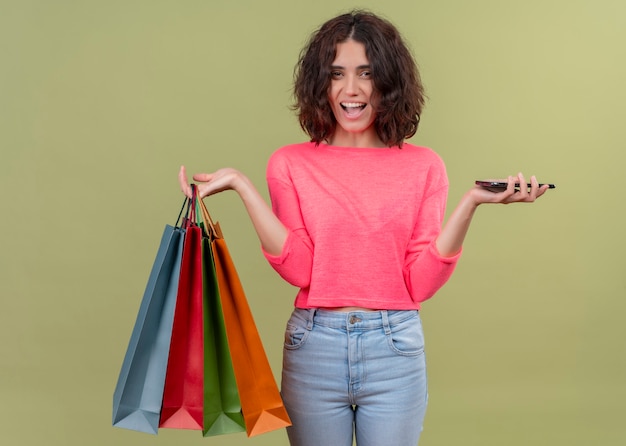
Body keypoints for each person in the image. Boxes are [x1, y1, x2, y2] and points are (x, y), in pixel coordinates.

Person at [179, 10, 549, 446]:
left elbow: (419, 282)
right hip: (314, 347)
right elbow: (301, 271)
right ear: (321, 83)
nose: (350, 90)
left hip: (395, 349)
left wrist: (471, 204)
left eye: (366, 74)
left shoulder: (424, 166)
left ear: (388, 81)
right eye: (337, 74)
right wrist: (243, 187)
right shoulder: (289, 163)